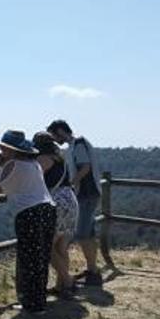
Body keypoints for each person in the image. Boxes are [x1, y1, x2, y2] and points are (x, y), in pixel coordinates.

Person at [0, 130, 56, 314]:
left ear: (12, 149)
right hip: (47, 209)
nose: (0, 148)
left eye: (4, 146)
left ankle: (32, 305)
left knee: (29, 260)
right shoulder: (33, 163)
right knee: (41, 258)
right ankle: (38, 301)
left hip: (29, 213)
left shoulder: (12, 164)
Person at [47, 120, 103, 286]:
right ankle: (92, 269)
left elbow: (85, 167)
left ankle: (92, 272)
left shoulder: (77, 144)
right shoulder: (76, 144)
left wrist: (70, 184)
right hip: (89, 194)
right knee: (88, 233)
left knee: (83, 234)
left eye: (53, 135)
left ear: (60, 131)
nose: (54, 140)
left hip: (85, 194)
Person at [33, 131, 78, 297]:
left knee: (47, 246)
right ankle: (61, 286)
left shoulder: (42, 159)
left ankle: (67, 280)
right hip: (70, 199)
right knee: (61, 246)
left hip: (56, 201)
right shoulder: (60, 158)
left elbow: (35, 180)